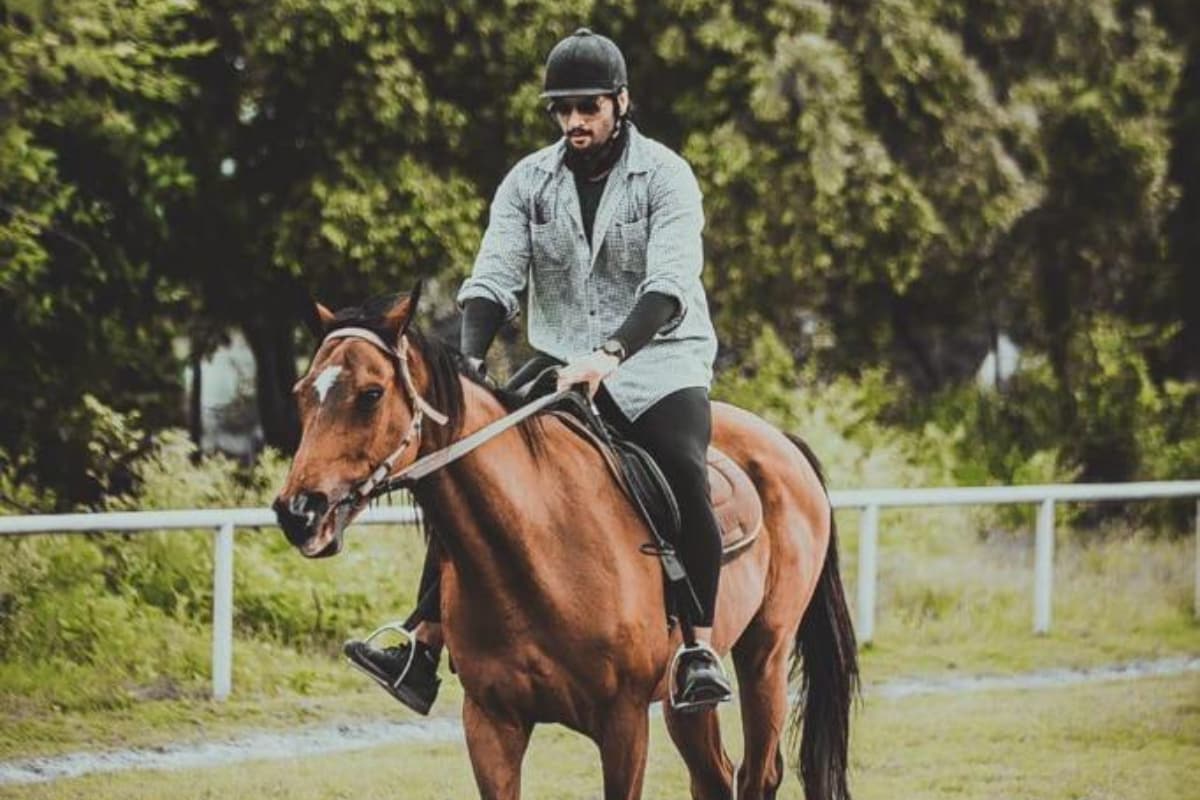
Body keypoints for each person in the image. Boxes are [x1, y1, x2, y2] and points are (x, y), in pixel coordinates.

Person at [344, 27, 730, 714]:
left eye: (588, 107)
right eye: (563, 109)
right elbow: (492, 278)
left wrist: (611, 356)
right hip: (557, 363)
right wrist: (467, 358)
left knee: (681, 469)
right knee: (464, 464)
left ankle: (697, 646)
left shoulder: (667, 176)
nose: (575, 121)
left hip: (659, 360)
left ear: (620, 102)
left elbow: (669, 286)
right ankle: (422, 639)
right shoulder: (528, 181)